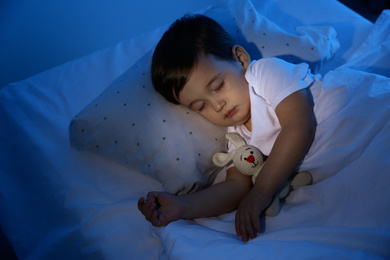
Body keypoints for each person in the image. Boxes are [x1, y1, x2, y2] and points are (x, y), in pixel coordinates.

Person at [138, 14, 317, 242]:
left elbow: (299, 126)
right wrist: (182, 206)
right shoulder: (238, 137)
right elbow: (236, 187)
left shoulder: (264, 74)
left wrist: (261, 192)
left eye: (218, 86)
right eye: (201, 106)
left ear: (240, 59)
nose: (218, 105)